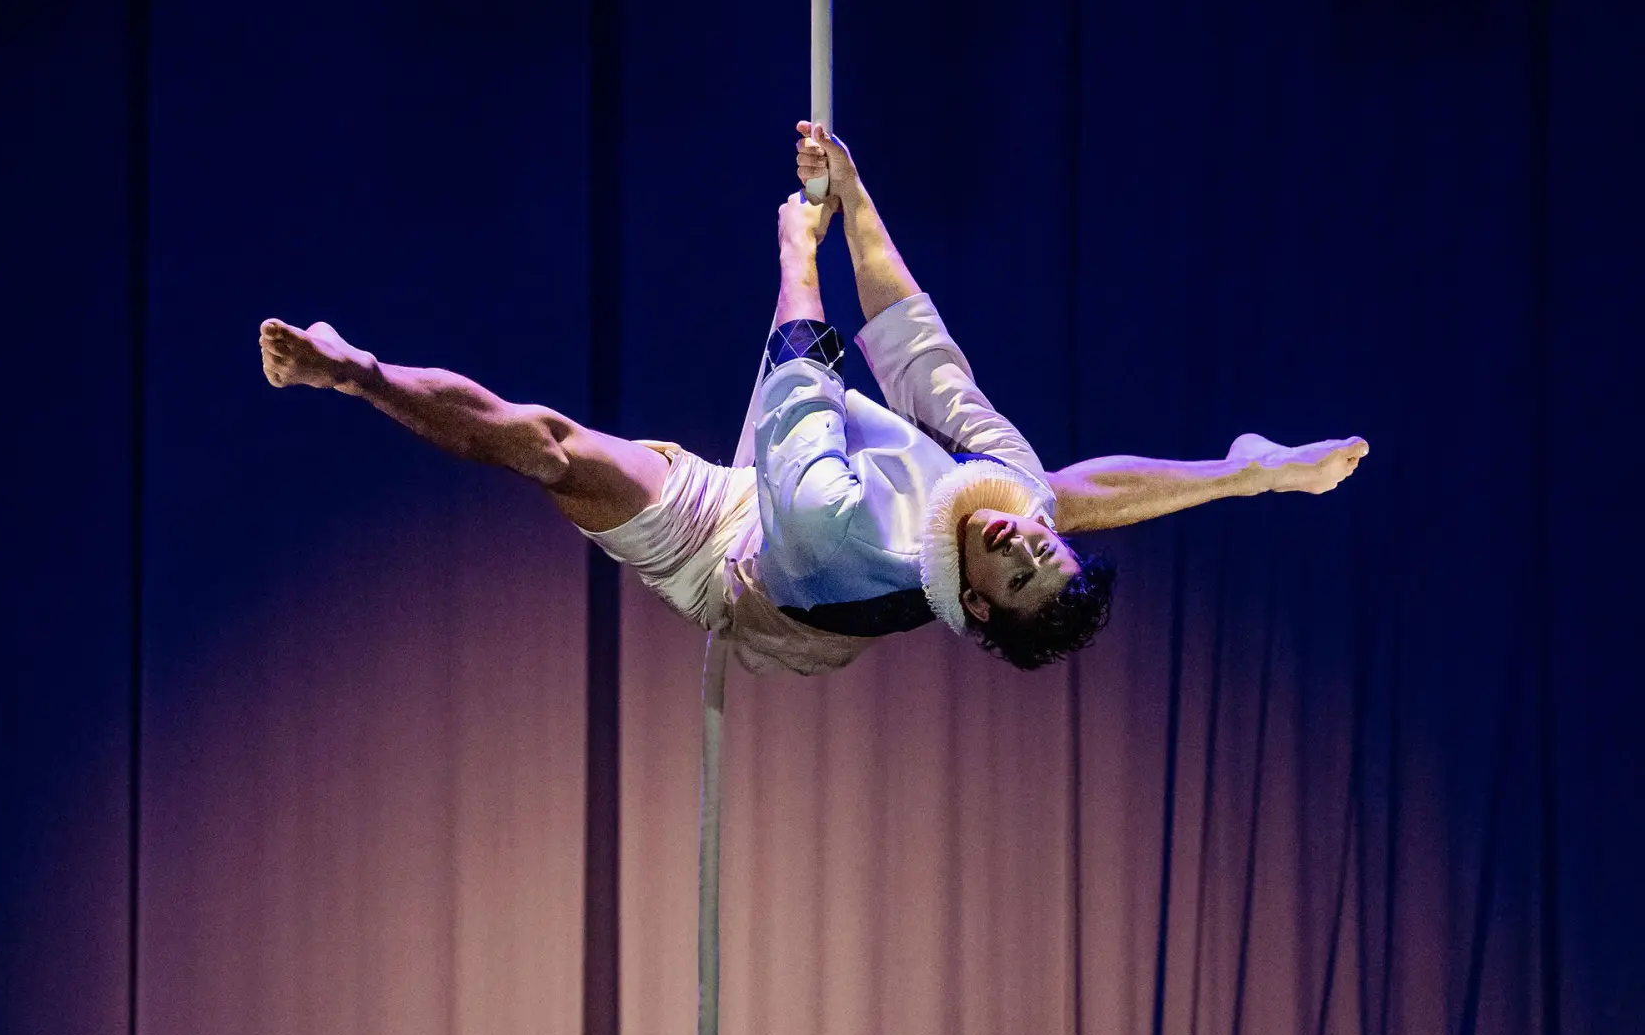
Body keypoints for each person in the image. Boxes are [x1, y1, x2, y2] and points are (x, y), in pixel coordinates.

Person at [258, 125, 1366, 677]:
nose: (1023, 540)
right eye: (1041, 550)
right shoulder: (1008, 498)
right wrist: (851, 184)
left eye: (1018, 569)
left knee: (552, 454)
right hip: (805, 476)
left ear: (977, 602)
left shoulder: (853, 540)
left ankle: (355, 380)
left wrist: (801, 242)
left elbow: (801, 393)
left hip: (746, 567)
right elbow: (914, 345)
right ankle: (1245, 467)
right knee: (1062, 485)